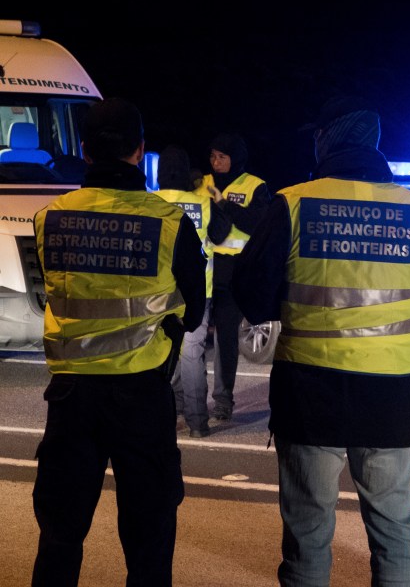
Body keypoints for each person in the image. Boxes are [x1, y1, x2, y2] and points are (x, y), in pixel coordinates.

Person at [233, 95, 410, 586]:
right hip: (391, 392)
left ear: (325, 139)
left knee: (307, 533)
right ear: (375, 143)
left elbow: (251, 295)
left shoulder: (293, 201)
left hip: (311, 390)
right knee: (394, 531)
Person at [31, 98, 206, 586]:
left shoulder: (51, 216)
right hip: (143, 397)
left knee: (60, 538)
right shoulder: (169, 222)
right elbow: (194, 310)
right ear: (140, 150)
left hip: (71, 398)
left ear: (84, 152)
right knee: (149, 545)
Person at [156, 145, 231, 438]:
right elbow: (221, 234)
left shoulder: (149, 202)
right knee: (191, 355)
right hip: (199, 291)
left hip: (158, 293)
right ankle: (198, 423)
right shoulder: (202, 204)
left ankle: (163, 417)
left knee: (159, 354)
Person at [202, 132, 270, 422]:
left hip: (234, 271)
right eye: (213, 156)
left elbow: (258, 224)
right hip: (202, 270)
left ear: (236, 159)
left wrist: (225, 206)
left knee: (225, 338)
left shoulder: (255, 186)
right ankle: (181, 400)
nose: (216, 162)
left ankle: (222, 400)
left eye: (223, 157)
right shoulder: (200, 183)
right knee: (188, 340)